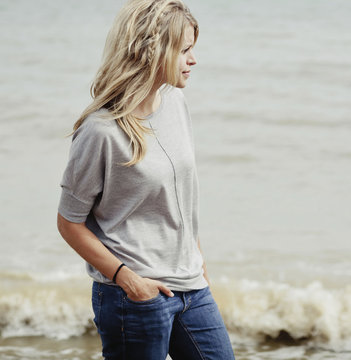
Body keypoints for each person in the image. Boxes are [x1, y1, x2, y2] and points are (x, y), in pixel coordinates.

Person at [56, 1, 235, 359]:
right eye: (184, 50)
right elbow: (69, 223)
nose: (193, 59)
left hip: (191, 286)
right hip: (135, 296)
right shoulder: (101, 132)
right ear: (155, 52)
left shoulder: (175, 104)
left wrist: (198, 266)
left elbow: (179, 200)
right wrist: (128, 279)